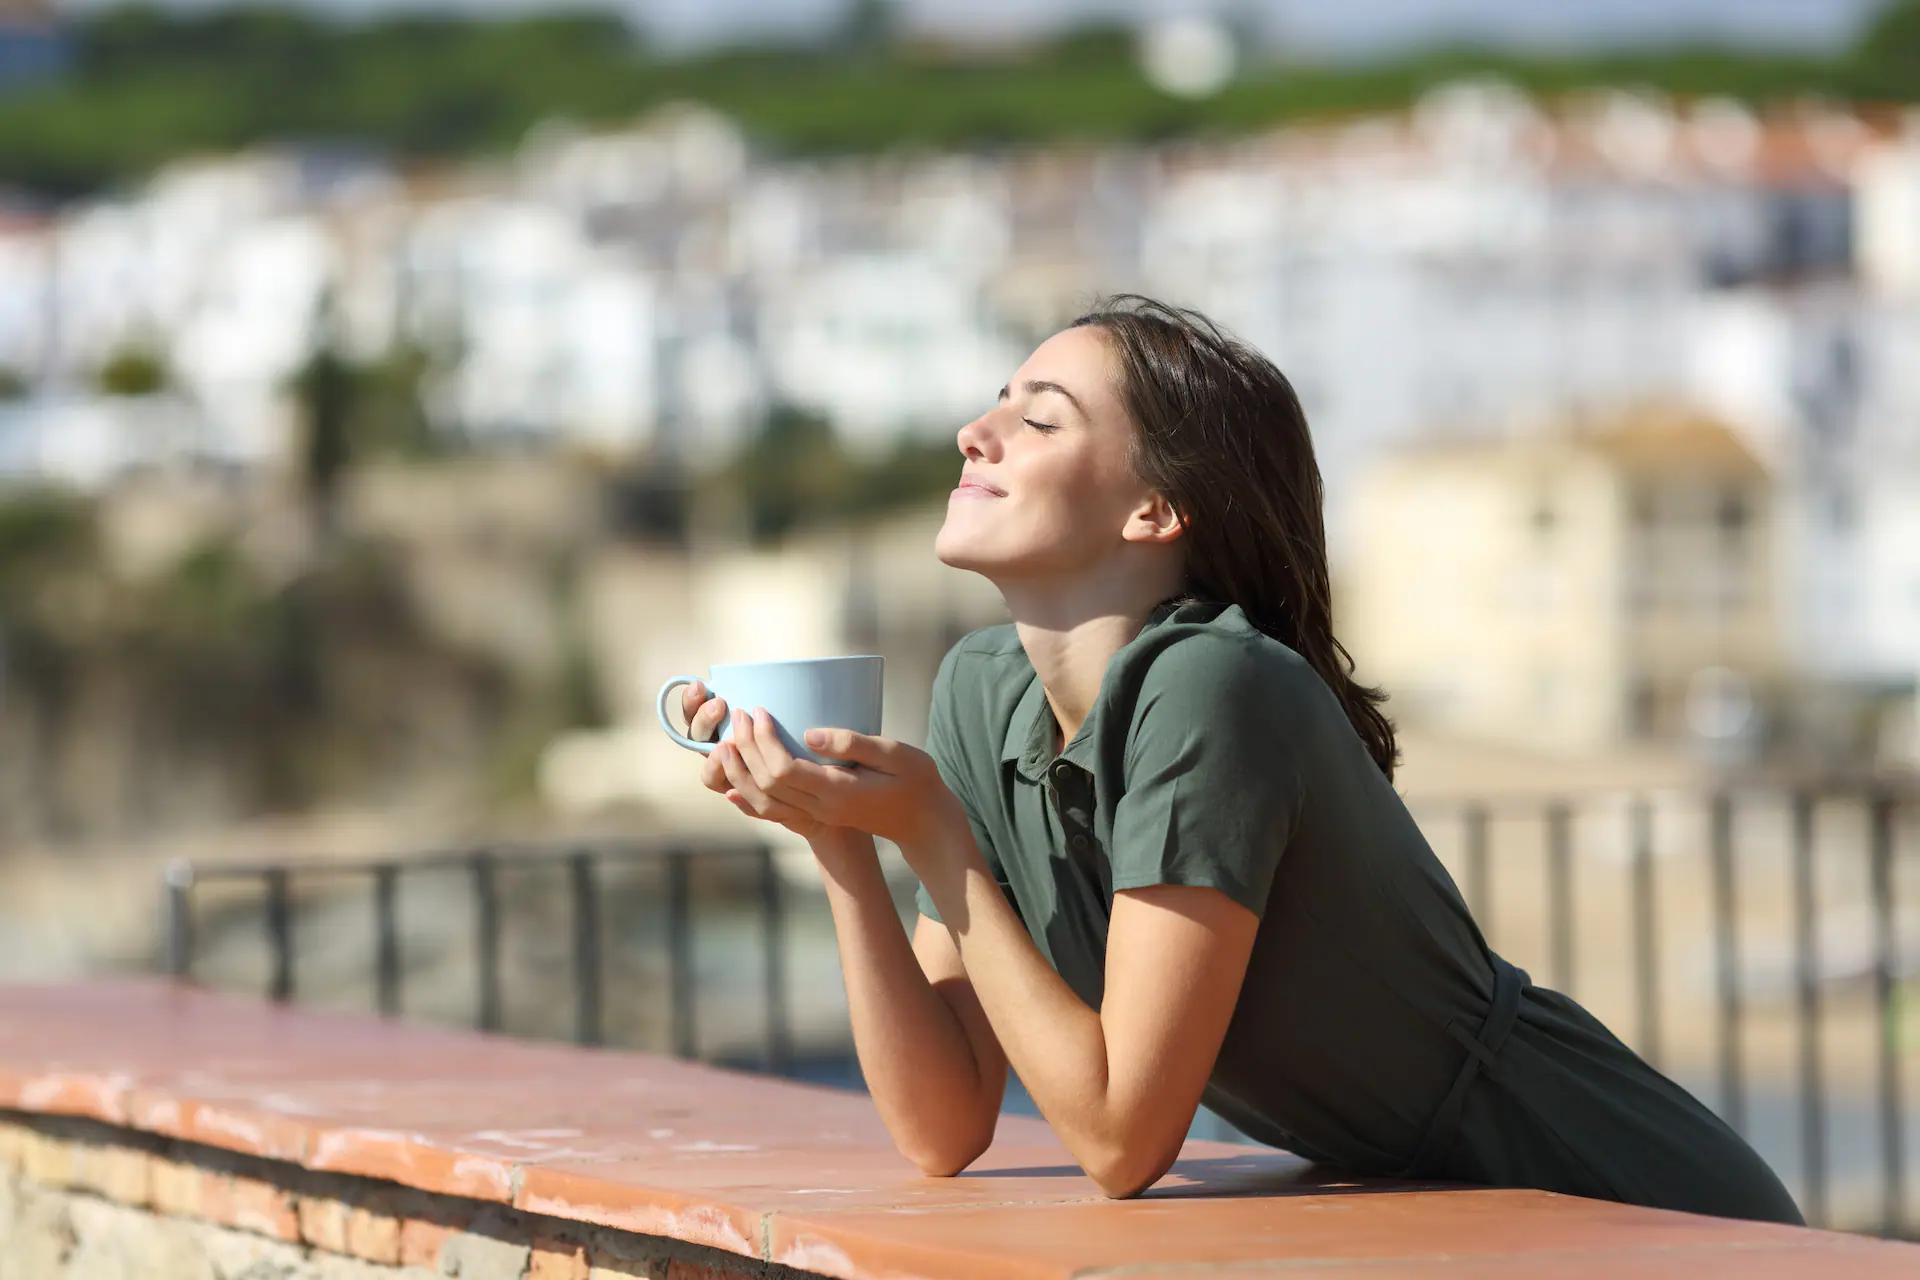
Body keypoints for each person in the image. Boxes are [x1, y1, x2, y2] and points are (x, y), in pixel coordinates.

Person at [671, 293, 1804, 1224]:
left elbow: (1120, 1138)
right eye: (995, 402)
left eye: (1043, 416)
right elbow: (945, 1124)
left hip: (1627, 1196)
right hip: (1452, 1208)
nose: (979, 430)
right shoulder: (982, 689)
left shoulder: (1211, 686)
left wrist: (935, 840)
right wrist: (847, 845)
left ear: (1156, 508)